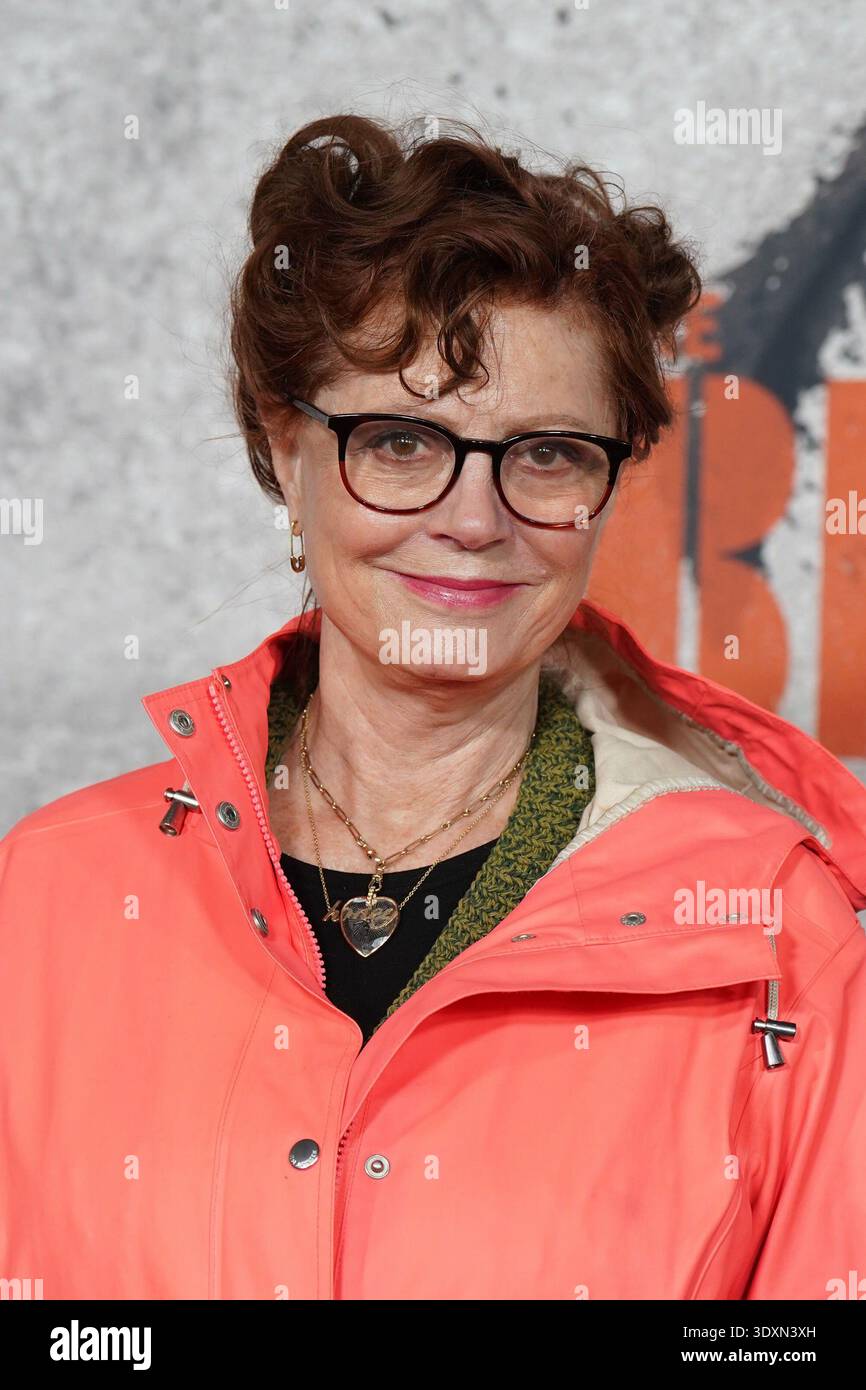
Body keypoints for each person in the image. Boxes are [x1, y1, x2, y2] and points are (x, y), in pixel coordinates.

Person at [2, 113, 866, 1302]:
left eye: (548, 453)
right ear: (284, 447)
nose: (474, 518)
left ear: (607, 484)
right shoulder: (47, 899)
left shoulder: (773, 932)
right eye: (402, 441)